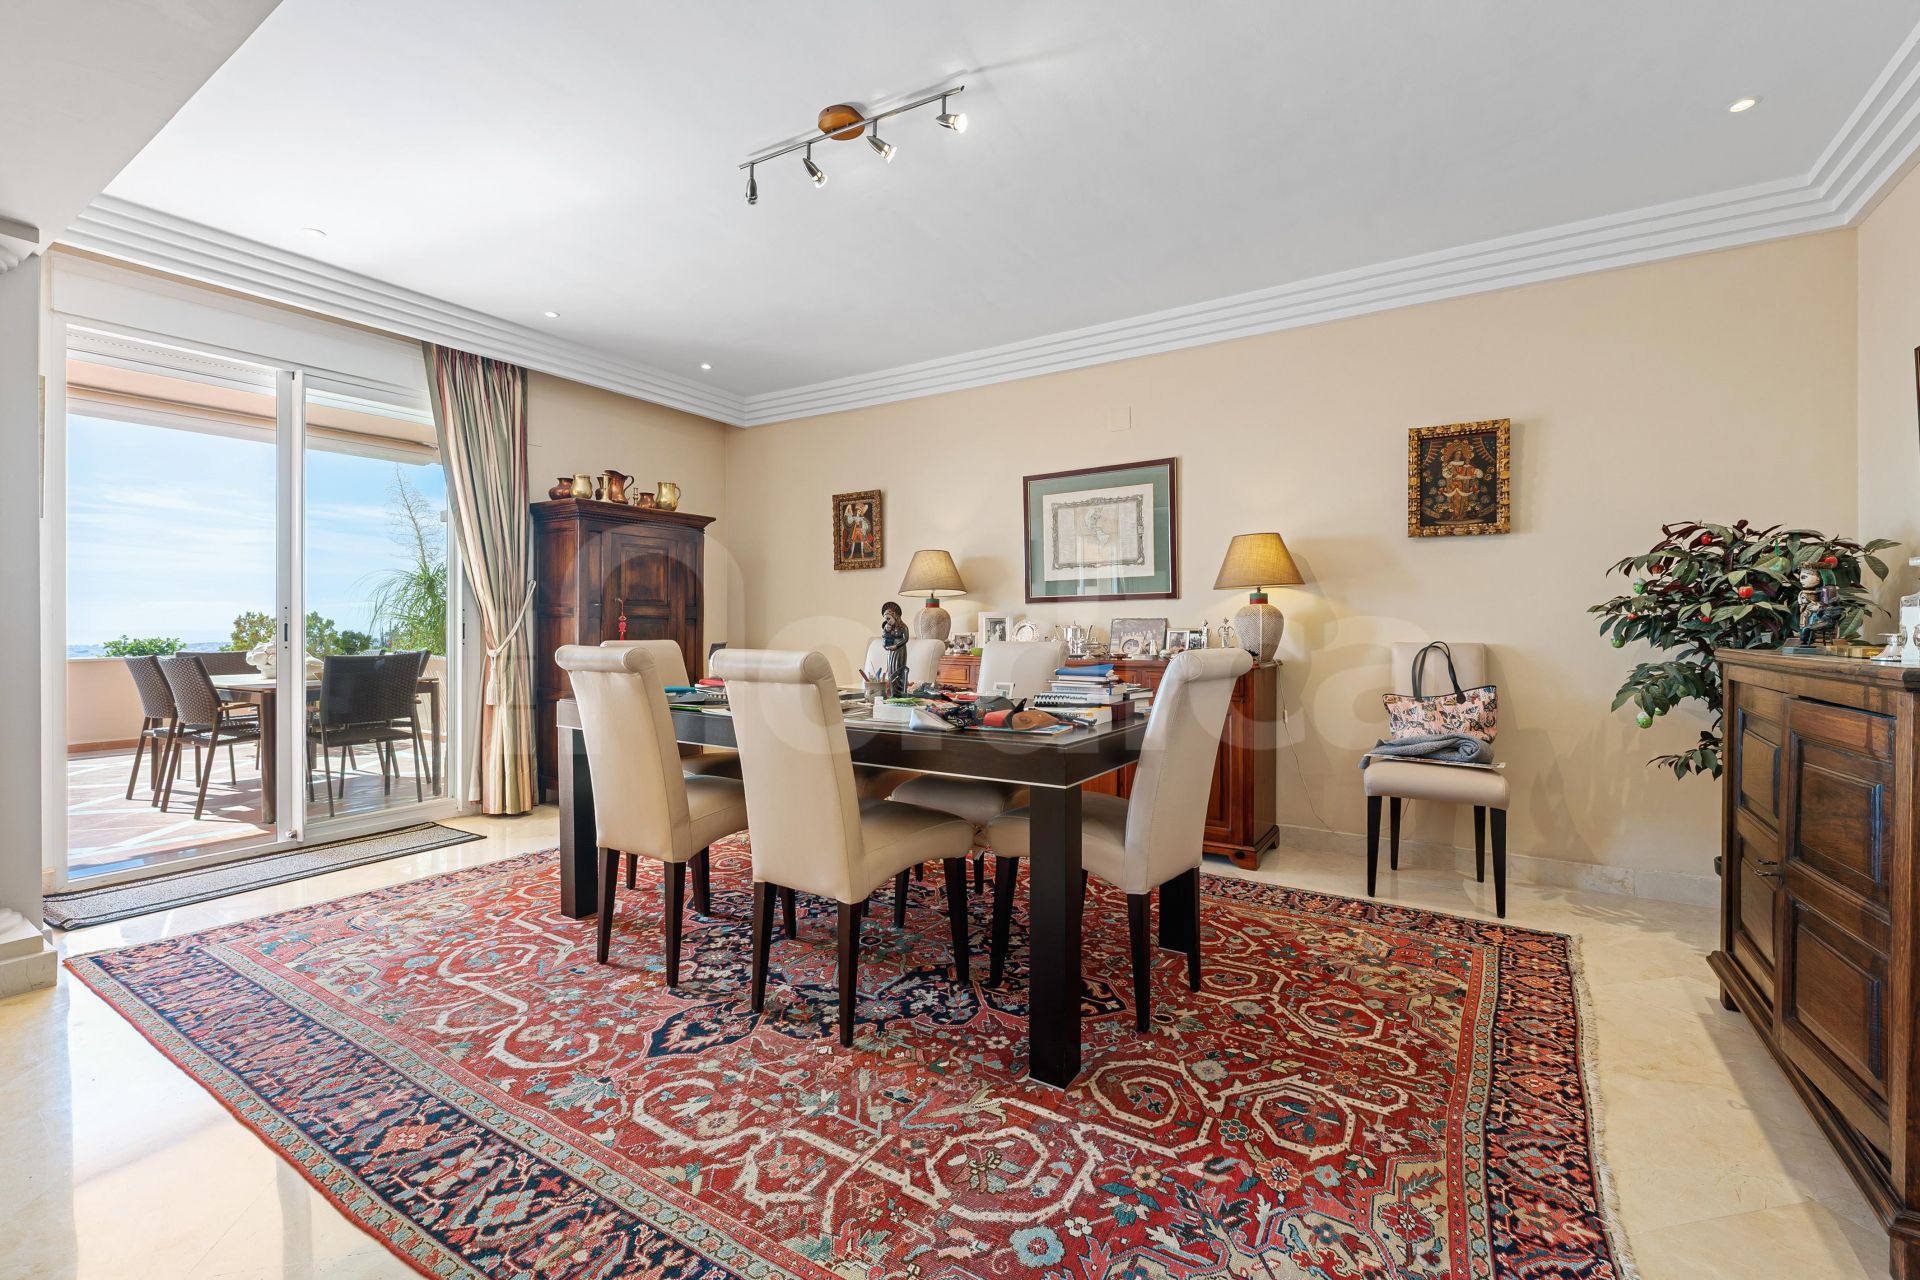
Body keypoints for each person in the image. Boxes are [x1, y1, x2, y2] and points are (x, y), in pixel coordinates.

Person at [880, 601, 909, 696]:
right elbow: (885, 639)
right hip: (891, 651)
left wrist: (896, 646)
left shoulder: (903, 627)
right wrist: (886, 642)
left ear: (895, 616)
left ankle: (899, 693)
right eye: (886, 619)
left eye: (888, 618)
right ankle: (892, 693)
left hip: (900, 650)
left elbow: (905, 639)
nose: (887, 621)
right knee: (890, 670)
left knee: (898, 669)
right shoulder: (889, 627)